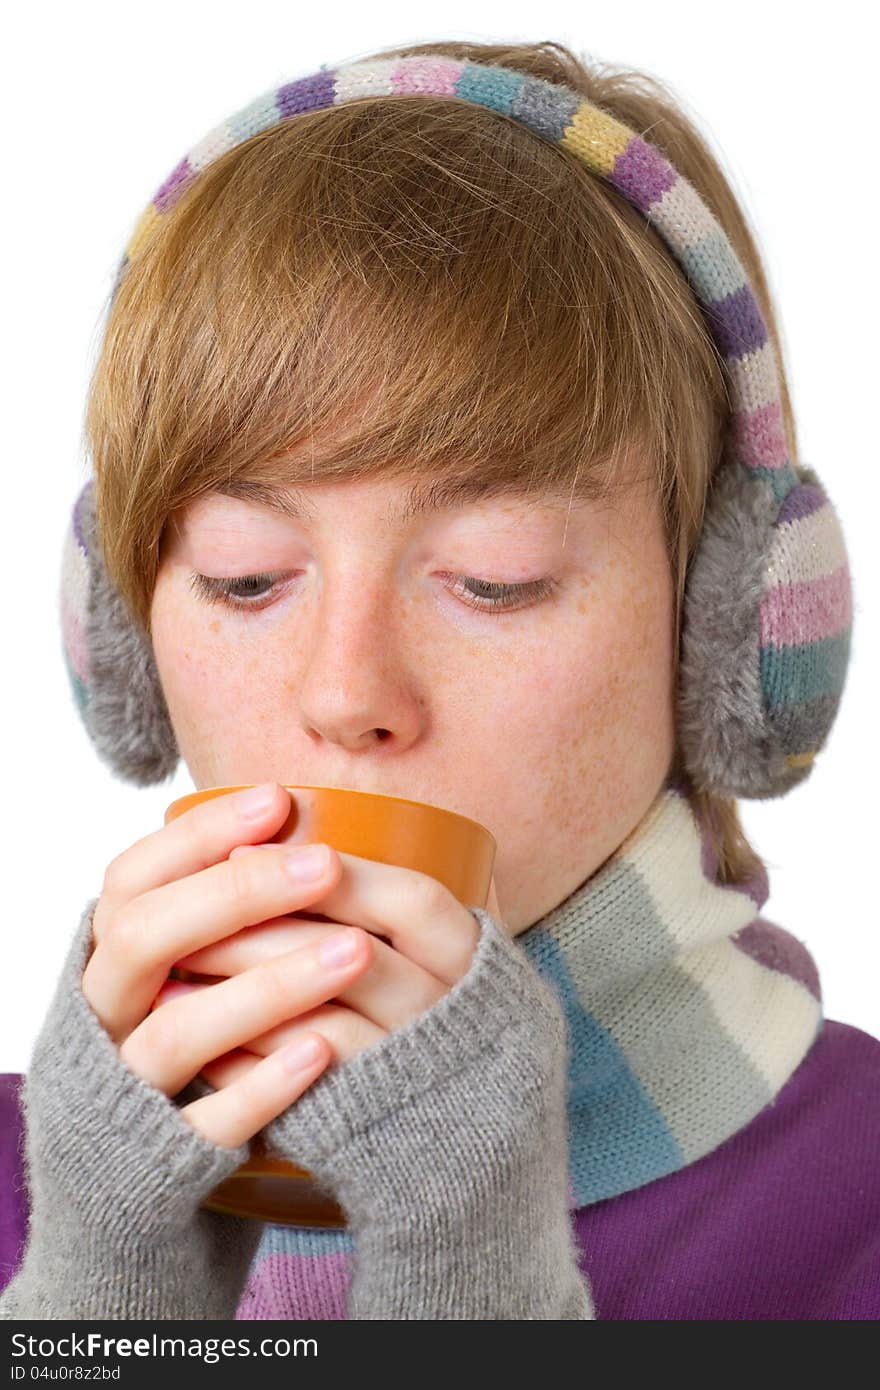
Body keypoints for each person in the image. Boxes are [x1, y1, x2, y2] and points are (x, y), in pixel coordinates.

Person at [2, 38, 877, 1321]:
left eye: (493, 576)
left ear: (726, 628)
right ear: (122, 632)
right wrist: (102, 1309)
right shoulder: (34, 1181)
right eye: (245, 577)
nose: (346, 693)